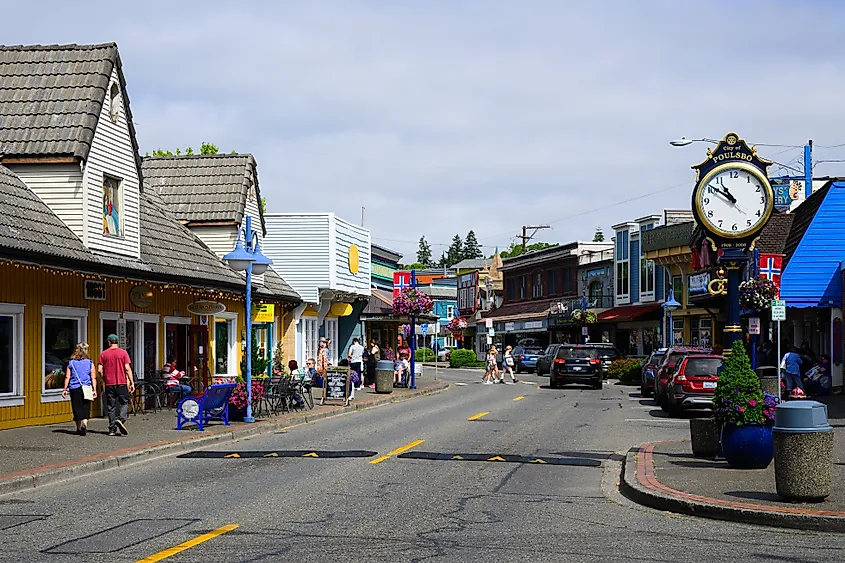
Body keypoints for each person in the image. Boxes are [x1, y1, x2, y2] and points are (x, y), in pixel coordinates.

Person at [98, 334, 134, 436]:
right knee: (124, 403)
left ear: (109, 342)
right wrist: (131, 382)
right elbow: (127, 368)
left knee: (111, 406)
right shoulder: (123, 353)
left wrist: (104, 377)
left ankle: (112, 430)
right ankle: (121, 420)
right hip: (121, 382)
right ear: (117, 342)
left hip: (109, 383)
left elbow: (99, 370)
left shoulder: (104, 354)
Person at [62, 342, 97, 436]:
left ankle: (78, 428)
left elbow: (67, 377)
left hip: (75, 387)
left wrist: (65, 389)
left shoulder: (71, 363)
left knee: (76, 407)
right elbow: (93, 377)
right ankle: (84, 423)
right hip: (87, 387)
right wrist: (94, 390)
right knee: (86, 407)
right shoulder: (90, 363)